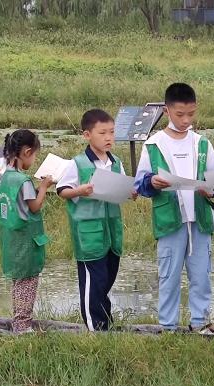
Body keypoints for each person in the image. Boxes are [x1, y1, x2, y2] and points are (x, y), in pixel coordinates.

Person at [135, 82, 214, 333]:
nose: (186, 120)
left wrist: (211, 188)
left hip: (200, 220)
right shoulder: (154, 144)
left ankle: (201, 322)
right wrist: (152, 182)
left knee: (201, 274)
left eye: (191, 114)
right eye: (180, 114)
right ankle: (168, 324)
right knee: (169, 274)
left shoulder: (202, 143)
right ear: (166, 111)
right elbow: (141, 183)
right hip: (170, 220)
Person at [58, 109, 132, 331]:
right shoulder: (77, 163)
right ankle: (95, 328)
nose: (108, 137)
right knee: (94, 281)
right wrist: (80, 190)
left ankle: (105, 322)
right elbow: (62, 190)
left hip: (111, 231)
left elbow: (122, 188)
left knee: (107, 278)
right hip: (89, 234)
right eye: (102, 133)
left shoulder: (116, 162)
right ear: (87, 135)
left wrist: (131, 192)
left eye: (111, 132)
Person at [0, 129, 52, 334]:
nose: (35, 159)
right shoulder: (23, 180)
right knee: (27, 283)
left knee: (18, 282)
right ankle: (23, 325)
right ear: (27, 152)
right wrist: (44, 186)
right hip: (26, 242)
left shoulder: (5, 178)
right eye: (35, 154)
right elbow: (34, 206)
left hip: (11, 239)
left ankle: (19, 322)